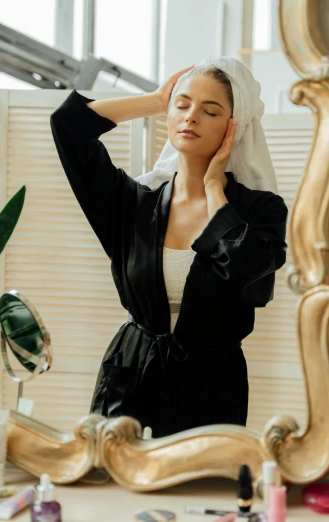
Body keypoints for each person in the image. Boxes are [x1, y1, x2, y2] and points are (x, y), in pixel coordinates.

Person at [50, 56, 287, 437]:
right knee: (113, 487)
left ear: (233, 127)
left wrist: (214, 190)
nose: (190, 117)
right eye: (182, 105)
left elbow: (244, 268)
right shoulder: (132, 206)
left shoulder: (262, 211)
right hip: (128, 376)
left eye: (209, 111)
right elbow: (69, 126)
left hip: (211, 385)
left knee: (199, 493)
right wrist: (157, 100)